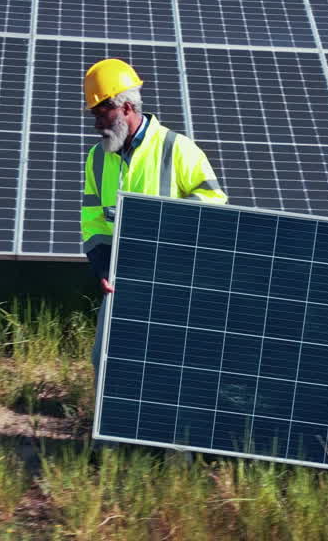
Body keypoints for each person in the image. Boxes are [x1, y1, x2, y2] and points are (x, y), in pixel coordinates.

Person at [80, 58, 227, 374]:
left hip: (174, 281)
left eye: (102, 114)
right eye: (93, 115)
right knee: (106, 362)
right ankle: (110, 424)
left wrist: (168, 227)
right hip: (123, 279)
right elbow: (92, 217)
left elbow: (215, 203)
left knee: (167, 367)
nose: (96, 125)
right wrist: (102, 266)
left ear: (127, 108)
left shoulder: (177, 148)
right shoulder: (96, 158)